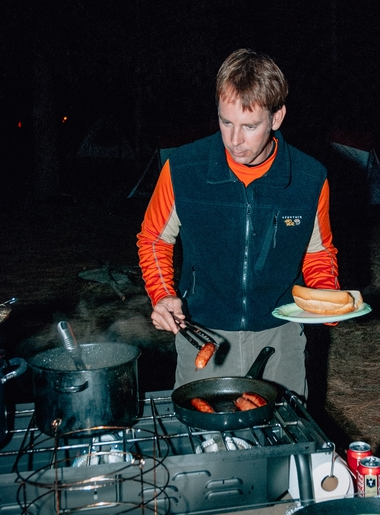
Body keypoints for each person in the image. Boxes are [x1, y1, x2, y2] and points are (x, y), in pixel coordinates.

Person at [137, 48, 341, 398]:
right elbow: (155, 238)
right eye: (225, 122)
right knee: (203, 446)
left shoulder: (309, 178)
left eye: (249, 126)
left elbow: (318, 251)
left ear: (277, 118)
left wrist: (327, 298)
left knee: (283, 444)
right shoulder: (184, 169)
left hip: (280, 334)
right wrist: (163, 294)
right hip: (203, 335)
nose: (234, 140)